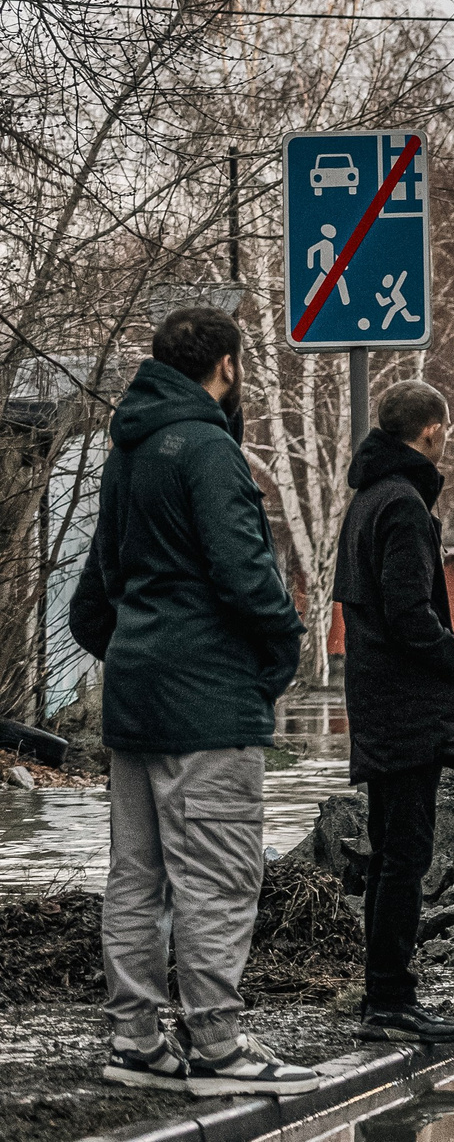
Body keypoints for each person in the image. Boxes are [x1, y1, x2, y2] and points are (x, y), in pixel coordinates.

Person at [67, 306, 318, 1097]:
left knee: (136, 877)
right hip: (207, 705)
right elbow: (248, 578)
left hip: (136, 702)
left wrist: (141, 656)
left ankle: (136, 1042)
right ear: (229, 366)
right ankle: (216, 1047)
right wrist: (280, 654)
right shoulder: (211, 449)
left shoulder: (128, 452)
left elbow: (91, 601)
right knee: (216, 873)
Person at [331, 380, 454, 1044]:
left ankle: (382, 995)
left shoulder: (366, 500)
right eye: (444, 430)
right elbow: (410, 612)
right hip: (407, 709)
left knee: (390, 852)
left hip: (375, 701)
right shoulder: (404, 505)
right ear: (432, 431)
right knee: (404, 858)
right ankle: (389, 998)